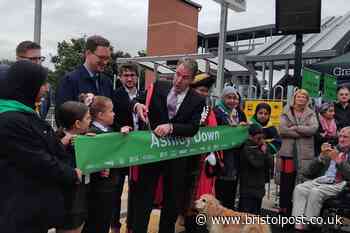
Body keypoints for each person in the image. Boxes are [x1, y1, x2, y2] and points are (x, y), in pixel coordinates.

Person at [0, 61, 81, 233]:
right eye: (42, 84)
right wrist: (71, 173)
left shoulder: (24, 113)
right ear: (27, 85)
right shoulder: (10, 119)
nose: (46, 88)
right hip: (19, 212)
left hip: (30, 209)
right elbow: (37, 160)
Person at [132, 58, 206, 233]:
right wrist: (137, 106)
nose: (179, 80)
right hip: (151, 153)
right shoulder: (158, 86)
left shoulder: (197, 99)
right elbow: (136, 99)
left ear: (192, 79)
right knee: (144, 197)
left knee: (172, 199)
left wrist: (171, 127)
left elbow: (193, 128)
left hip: (176, 156)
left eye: (185, 77)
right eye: (177, 74)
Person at [82, 95, 131, 233]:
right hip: (97, 189)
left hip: (109, 187)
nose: (114, 114)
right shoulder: (91, 134)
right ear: (101, 115)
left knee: (104, 221)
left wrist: (121, 135)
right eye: (111, 111)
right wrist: (99, 168)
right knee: (96, 222)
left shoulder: (110, 131)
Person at [182, 73, 220, 233]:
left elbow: (214, 132)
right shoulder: (183, 107)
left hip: (203, 161)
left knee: (202, 196)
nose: (204, 94)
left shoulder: (208, 110)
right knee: (186, 196)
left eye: (206, 91)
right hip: (185, 159)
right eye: (201, 90)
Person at [292, 127, 350, 231]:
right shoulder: (333, 150)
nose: (341, 139)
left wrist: (339, 161)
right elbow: (308, 172)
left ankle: (310, 225)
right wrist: (321, 156)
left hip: (342, 184)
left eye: (345, 137)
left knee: (316, 192)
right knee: (300, 188)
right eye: (340, 136)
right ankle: (298, 225)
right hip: (324, 180)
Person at [55, 35, 113, 125]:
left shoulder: (107, 82)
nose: (105, 62)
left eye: (107, 58)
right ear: (88, 53)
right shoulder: (69, 80)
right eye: (101, 57)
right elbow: (61, 117)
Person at [279, 89, 318, 216]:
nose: (301, 99)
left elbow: (313, 129)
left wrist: (295, 127)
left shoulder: (311, 113)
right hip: (288, 154)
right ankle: (284, 214)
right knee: (286, 185)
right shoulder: (286, 111)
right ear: (294, 98)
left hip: (304, 154)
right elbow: (283, 130)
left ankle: (297, 216)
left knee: (301, 184)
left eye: (304, 97)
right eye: (299, 96)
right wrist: (302, 132)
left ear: (307, 100)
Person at [111, 62, 140, 233]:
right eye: (126, 75)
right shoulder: (115, 95)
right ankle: (115, 225)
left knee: (136, 190)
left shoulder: (144, 95)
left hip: (139, 148)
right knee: (117, 189)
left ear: (137, 77)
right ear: (120, 77)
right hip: (121, 147)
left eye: (132, 75)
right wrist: (119, 128)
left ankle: (132, 225)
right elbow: (111, 119)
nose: (129, 78)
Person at [55, 101, 92, 233]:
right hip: (69, 202)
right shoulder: (59, 140)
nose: (90, 121)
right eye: (88, 118)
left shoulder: (84, 138)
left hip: (82, 198)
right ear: (77, 123)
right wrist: (63, 143)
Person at [213, 86, 247, 210]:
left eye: (235, 98)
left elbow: (244, 132)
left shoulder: (240, 113)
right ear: (223, 98)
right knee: (221, 190)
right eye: (229, 97)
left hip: (236, 157)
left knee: (232, 190)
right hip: (222, 157)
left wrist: (243, 127)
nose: (232, 101)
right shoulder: (216, 112)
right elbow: (215, 132)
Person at [239, 124, 273, 215]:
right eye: (258, 138)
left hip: (259, 188)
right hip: (248, 190)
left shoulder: (262, 146)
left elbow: (270, 164)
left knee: (256, 217)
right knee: (245, 218)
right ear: (250, 136)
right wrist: (263, 153)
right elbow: (256, 163)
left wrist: (265, 152)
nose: (261, 141)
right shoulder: (246, 148)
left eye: (262, 138)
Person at [250, 103, 282, 182]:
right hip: (250, 161)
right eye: (260, 113)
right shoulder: (250, 126)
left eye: (266, 114)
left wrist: (266, 147)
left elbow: (278, 142)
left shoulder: (271, 128)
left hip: (265, 162)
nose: (263, 116)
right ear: (256, 113)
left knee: (261, 185)